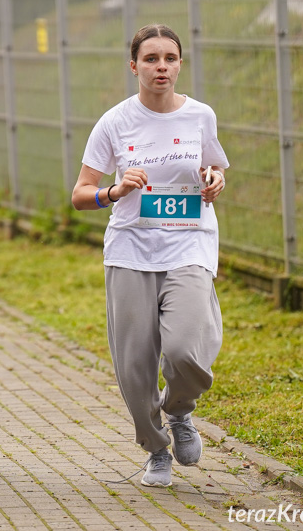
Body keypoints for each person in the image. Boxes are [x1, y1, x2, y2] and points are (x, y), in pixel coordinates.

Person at [71, 24, 229, 488]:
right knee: (135, 366)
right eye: (152, 59)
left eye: (170, 59)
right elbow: (80, 193)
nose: (161, 67)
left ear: (180, 64)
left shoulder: (201, 115)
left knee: (185, 348)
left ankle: (179, 410)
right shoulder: (115, 121)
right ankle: (156, 449)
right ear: (134, 65)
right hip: (131, 250)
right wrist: (114, 190)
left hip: (189, 243)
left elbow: (213, 168)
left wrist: (216, 181)